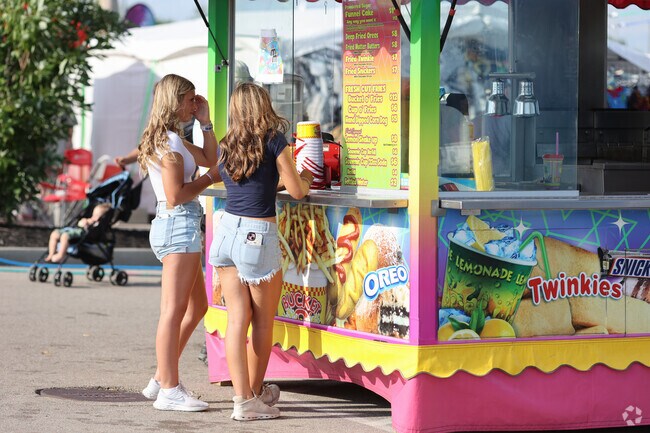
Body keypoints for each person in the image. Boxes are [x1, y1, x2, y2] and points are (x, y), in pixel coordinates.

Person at [208, 82, 314, 421]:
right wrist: (305, 179)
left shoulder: (228, 144)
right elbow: (297, 191)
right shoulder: (274, 140)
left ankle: (244, 399)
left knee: (237, 320)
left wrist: (278, 181)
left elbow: (248, 182)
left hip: (226, 231)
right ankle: (252, 394)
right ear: (264, 105)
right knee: (263, 323)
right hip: (258, 235)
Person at [137, 74, 221, 412]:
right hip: (177, 224)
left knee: (197, 307)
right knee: (172, 312)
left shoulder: (171, 138)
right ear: (175, 101)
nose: (194, 103)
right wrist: (209, 180)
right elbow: (175, 195)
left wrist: (207, 122)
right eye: (190, 99)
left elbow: (209, 156)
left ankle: (162, 374)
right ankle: (169, 389)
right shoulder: (169, 144)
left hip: (178, 226)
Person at [45, 202, 112, 263]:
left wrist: (87, 225)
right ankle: (51, 253)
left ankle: (60, 255)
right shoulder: (89, 219)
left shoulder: (98, 225)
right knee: (54, 234)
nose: (94, 217)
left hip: (81, 233)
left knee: (65, 236)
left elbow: (92, 231)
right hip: (73, 229)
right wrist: (84, 221)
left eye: (97, 215)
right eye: (94, 214)